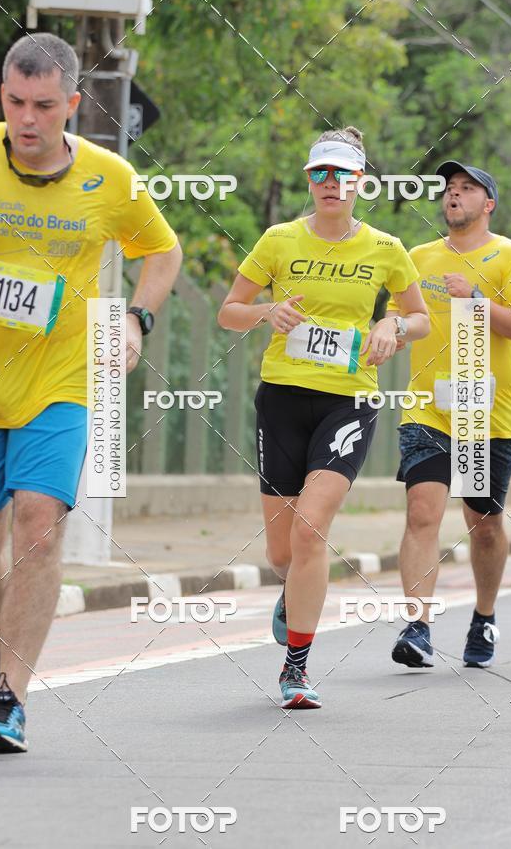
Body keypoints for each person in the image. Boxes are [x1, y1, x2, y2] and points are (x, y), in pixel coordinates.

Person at [0, 34, 182, 751]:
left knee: (39, 525)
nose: (26, 119)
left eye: (43, 105)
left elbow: (162, 251)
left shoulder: (110, 178)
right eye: (15, 102)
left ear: (72, 103)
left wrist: (136, 318)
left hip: (59, 378)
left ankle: (10, 697)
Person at [218, 127, 429, 708]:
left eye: (342, 175)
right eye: (320, 174)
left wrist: (391, 324)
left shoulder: (386, 248)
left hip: (349, 400)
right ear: (309, 180)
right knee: (283, 553)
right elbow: (229, 311)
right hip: (282, 399)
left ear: (360, 182)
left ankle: (296, 668)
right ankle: (292, 589)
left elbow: (421, 319)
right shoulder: (279, 240)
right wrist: (267, 311)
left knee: (311, 529)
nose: (331, 184)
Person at [387, 160, 511, 669]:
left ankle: (484, 615)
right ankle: (418, 627)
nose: (454, 195)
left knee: (485, 526)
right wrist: (390, 331)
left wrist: (475, 299)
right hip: (427, 407)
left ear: (487, 204)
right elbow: (399, 314)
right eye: (449, 188)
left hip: (486, 413)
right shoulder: (418, 257)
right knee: (422, 512)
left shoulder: (509, 256)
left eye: (467, 188)